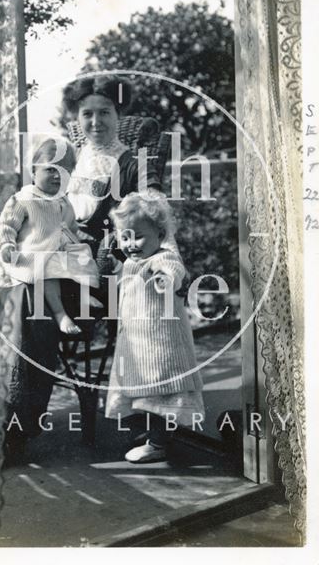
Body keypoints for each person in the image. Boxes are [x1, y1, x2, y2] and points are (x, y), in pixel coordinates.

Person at [105, 191, 205, 463]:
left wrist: (165, 280)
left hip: (161, 343)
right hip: (137, 343)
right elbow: (128, 280)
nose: (131, 244)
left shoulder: (162, 258)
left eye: (138, 236)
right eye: (124, 237)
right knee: (143, 394)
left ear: (160, 235)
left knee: (160, 394)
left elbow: (174, 271)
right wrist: (113, 266)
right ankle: (153, 437)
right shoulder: (130, 262)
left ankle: (158, 442)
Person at [0, 138, 100, 335]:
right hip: (35, 252)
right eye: (51, 169)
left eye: (64, 171)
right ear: (34, 171)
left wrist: (78, 238)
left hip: (61, 250)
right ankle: (60, 313)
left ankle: (82, 294)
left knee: (83, 256)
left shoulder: (64, 201)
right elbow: (7, 225)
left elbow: (71, 227)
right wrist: (6, 245)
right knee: (47, 270)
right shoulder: (24, 199)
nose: (57, 176)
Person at [63, 74, 162, 259]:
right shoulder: (69, 161)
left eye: (104, 112)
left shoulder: (137, 165)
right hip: (66, 252)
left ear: (118, 115)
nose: (95, 122)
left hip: (112, 259)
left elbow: (157, 219)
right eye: (87, 114)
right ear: (77, 118)